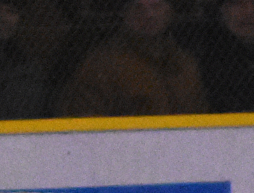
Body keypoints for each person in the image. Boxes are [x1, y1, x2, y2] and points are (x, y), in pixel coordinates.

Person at [55, 0, 207, 117]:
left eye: (156, 6)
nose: (149, 15)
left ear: (169, 12)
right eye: (138, 8)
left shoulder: (185, 63)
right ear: (125, 14)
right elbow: (84, 120)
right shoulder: (103, 64)